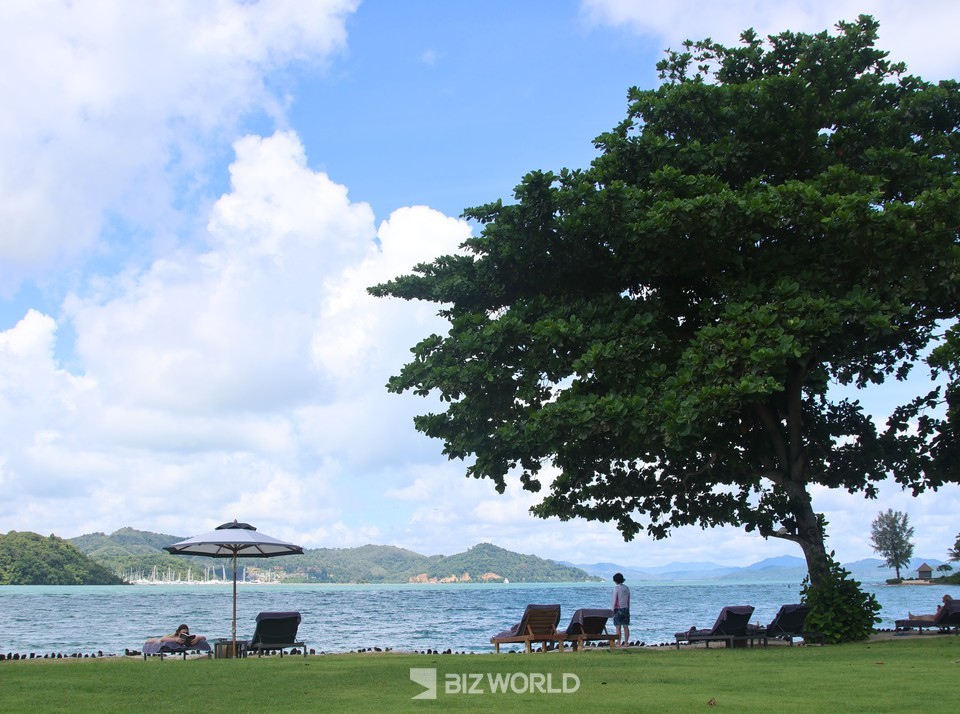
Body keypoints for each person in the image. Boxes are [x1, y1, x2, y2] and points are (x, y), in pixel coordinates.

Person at [611, 573, 631, 646]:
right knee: (626, 626)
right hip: (626, 608)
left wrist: (612, 609)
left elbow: (614, 600)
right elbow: (628, 599)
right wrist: (628, 608)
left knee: (618, 627)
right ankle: (626, 642)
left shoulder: (616, 588)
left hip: (618, 609)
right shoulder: (626, 588)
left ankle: (619, 642)